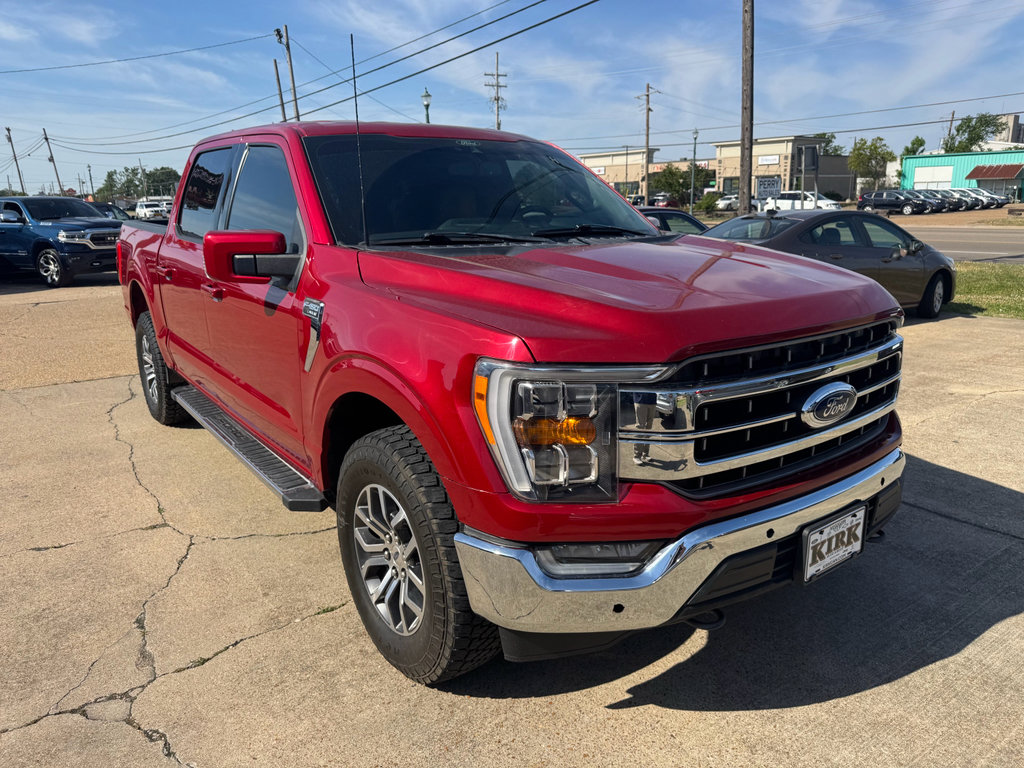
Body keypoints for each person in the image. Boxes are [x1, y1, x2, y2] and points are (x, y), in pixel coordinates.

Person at [632, 392, 657, 465]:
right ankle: (636, 456)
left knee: (649, 428)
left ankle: (645, 454)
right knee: (640, 427)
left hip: (652, 400)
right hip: (640, 399)